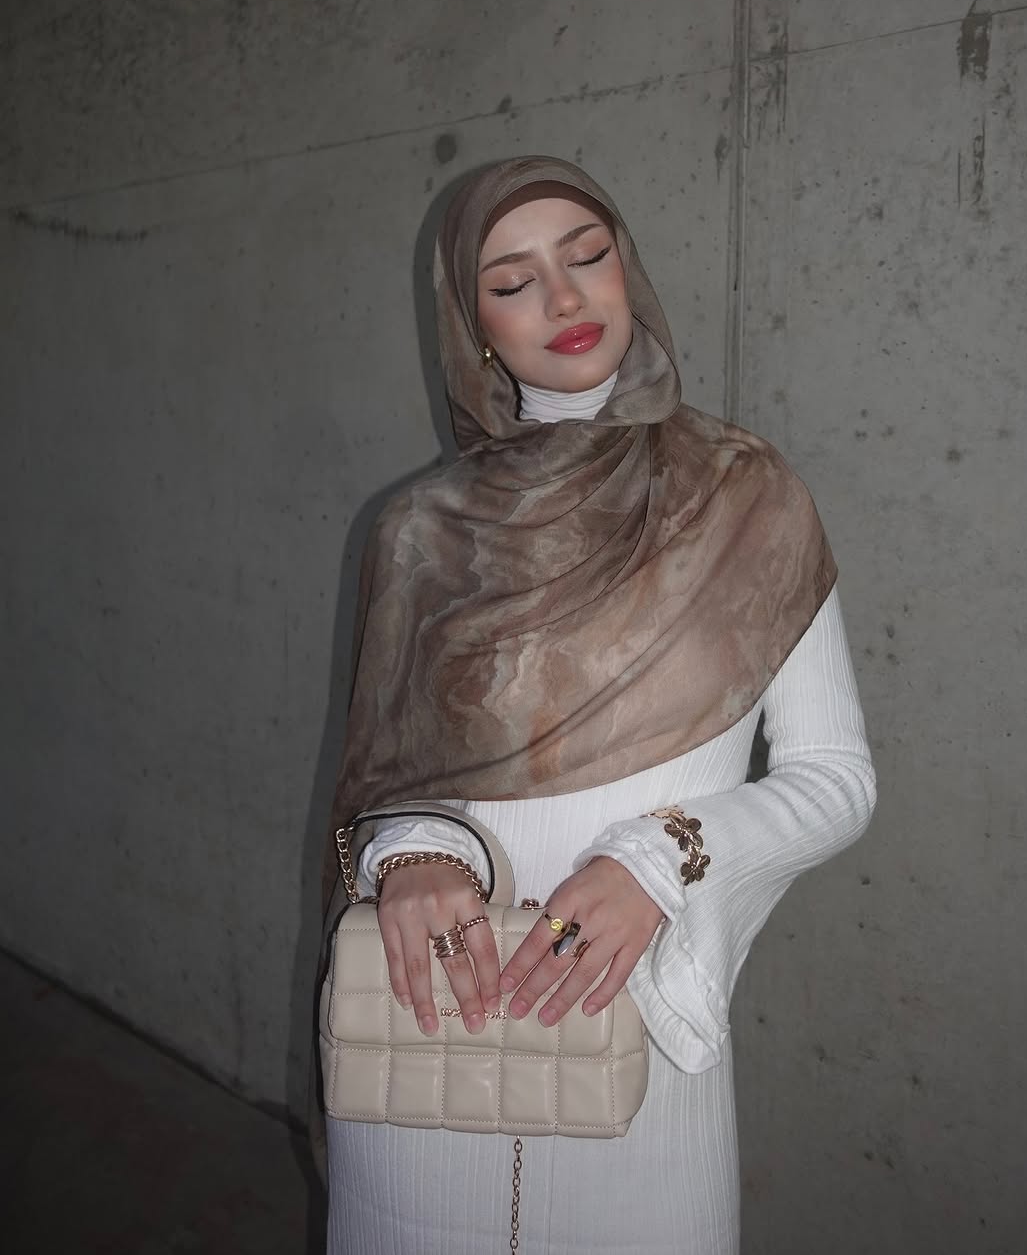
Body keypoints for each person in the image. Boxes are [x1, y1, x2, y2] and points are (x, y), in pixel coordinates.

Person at [320, 156, 876, 1254]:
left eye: (586, 256)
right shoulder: (422, 531)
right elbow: (387, 779)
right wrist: (414, 852)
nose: (564, 298)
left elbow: (837, 778)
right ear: (472, 326)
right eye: (512, 281)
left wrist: (662, 859)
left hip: (643, 1045)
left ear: (629, 269)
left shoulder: (747, 494)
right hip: (429, 1047)